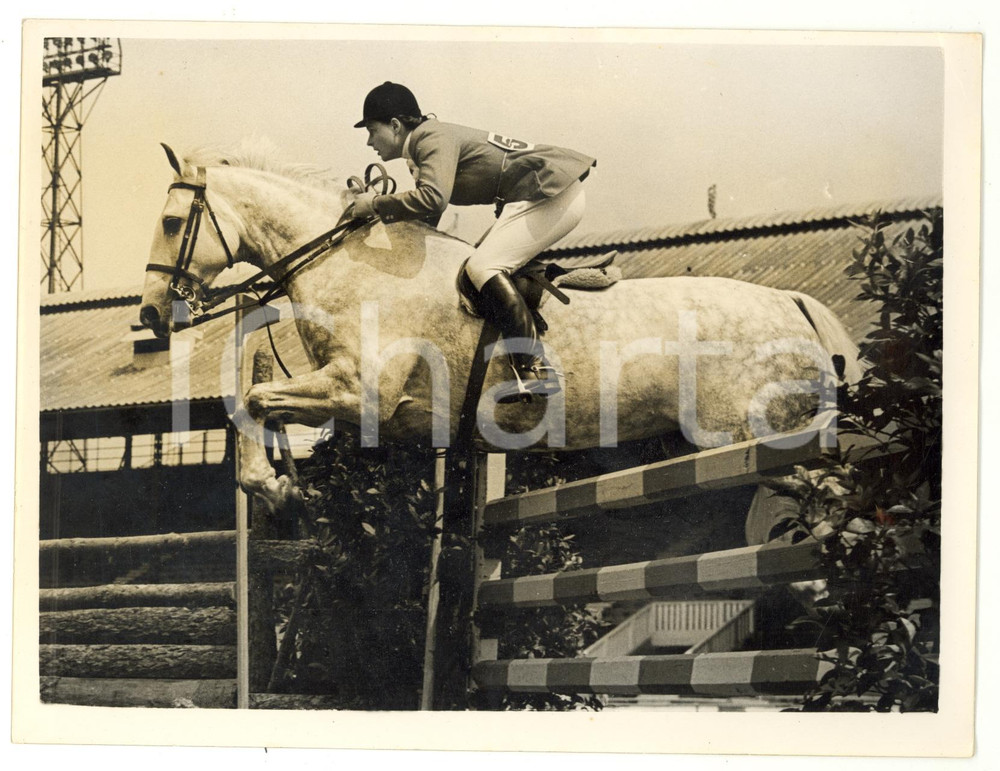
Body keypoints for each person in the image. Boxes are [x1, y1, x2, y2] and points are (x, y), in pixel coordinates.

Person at [351, 81, 595, 403]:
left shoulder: (430, 139)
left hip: (551, 193)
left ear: (395, 125)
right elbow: (426, 221)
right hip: (539, 195)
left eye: (372, 130)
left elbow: (433, 200)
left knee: (482, 266)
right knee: (474, 265)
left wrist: (376, 205)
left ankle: (535, 368)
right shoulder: (423, 146)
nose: (369, 142)